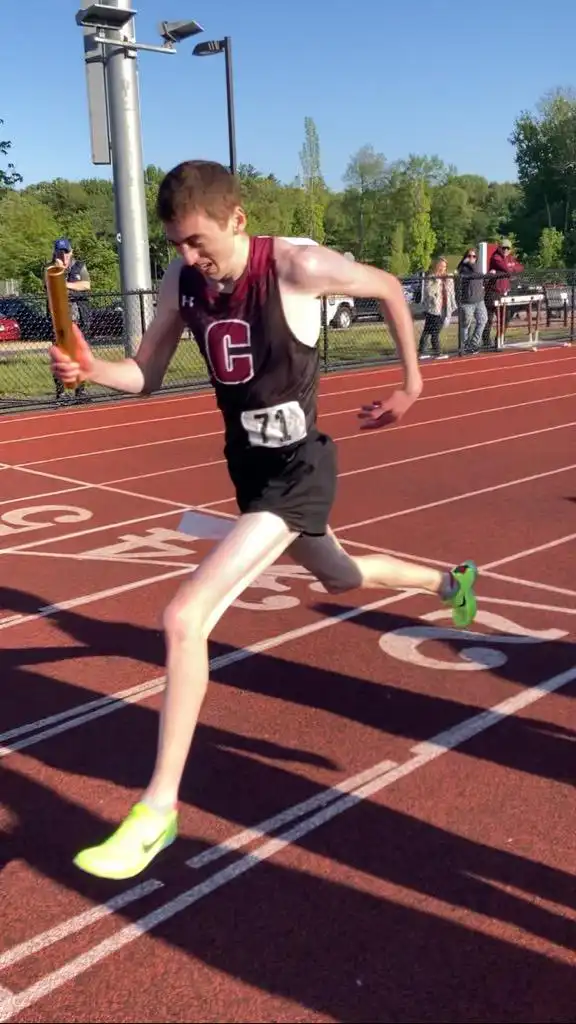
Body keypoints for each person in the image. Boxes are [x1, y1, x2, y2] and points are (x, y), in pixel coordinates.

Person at [50, 160, 478, 881]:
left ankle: (157, 809)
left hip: (300, 471)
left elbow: (386, 289)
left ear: (236, 219)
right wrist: (93, 372)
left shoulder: (298, 266)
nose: (190, 258)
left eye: (198, 242)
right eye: (178, 245)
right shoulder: (182, 282)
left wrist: (410, 384)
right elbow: (146, 373)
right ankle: (448, 582)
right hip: (250, 473)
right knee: (339, 577)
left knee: (184, 618)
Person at [49, 238, 92, 404]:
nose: (63, 255)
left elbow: (86, 285)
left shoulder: (79, 266)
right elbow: (50, 285)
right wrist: (59, 269)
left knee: (79, 355)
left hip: (78, 318)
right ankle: (61, 393)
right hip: (59, 321)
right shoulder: (51, 268)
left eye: (66, 252)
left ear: (71, 252)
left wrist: (66, 285)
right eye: (60, 252)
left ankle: (80, 391)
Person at [417, 256, 456, 360]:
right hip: (433, 308)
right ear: (437, 266)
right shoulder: (432, 277)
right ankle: (437, 351)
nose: (443, 268)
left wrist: (452, 304)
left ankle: (422, 350)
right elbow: (428, 290)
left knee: (428, 329)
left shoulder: (448, 277)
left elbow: (451, 292)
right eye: (441, 266)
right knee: (435, 330)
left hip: (444, 306)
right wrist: (436, 289)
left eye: (444, 266)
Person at [456, 247, 487, 354]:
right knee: (466, 324)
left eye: (474, 256)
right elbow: (470, 272)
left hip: (479, 300)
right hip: (467, 301)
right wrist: (465, 263)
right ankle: (464, 345)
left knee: (483, 320)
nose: (471, 258)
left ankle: (473, 343)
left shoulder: (477, 267)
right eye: (469, 256)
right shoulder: (463, 268)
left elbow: (479, 275)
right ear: (465, 257)